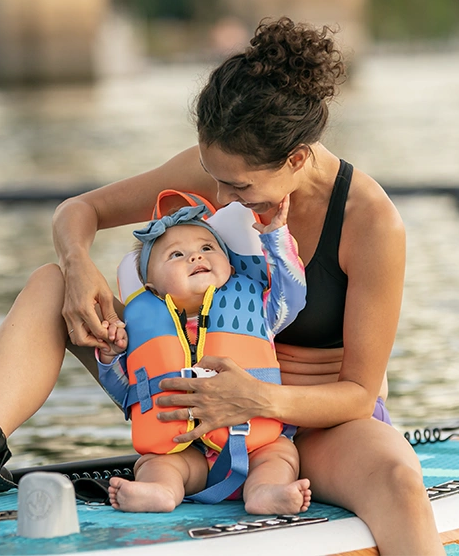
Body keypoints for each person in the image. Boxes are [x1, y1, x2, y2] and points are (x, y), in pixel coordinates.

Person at [0, 17, 443, 555]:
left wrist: (255, 398)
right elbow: (80, 210)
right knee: (50, 285)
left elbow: (356, 393)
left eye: (237, 185)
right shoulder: (217, 170)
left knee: (400, 479)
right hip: (180, 407)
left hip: (311, 425)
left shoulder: (370, 222)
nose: (219, 198)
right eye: (212, 175)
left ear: (297, 158)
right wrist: (78, 267)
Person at [96, 199, 310, 514]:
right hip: (186, 452)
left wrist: (276, 239)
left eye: (208, 248)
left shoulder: (259, 308)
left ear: (229, 264)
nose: (196, 256)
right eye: (176, 255)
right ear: (152, 286)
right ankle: (161, 491)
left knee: (281, 454)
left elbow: (292, 294)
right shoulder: (141, 327)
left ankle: (266, 492)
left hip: (256, 446)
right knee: (154, 463)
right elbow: (128, 394)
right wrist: (109, 358)